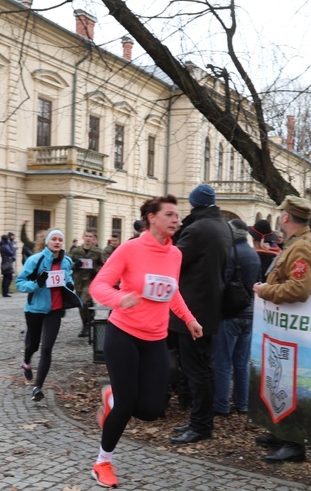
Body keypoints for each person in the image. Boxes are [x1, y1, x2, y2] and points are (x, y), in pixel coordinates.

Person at [88, 195, 203, 488]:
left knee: (152, 410)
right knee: (126, 405)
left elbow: (173, 291)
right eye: (170, 214)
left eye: (178, 215)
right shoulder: (130, 249)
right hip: (123, 333)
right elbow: (98, 285)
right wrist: (119, 299)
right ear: (152, 217)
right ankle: (103, 462)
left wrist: (189, 319)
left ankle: (110, 397)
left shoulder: (175, 254)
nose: (177, 220)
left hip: (155, 338)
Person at [253, 195, 311, 463]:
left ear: (285, 218)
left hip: (295, 327)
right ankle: (281, 433)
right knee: (281, 380)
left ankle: (294, 444)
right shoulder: (297, 243)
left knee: (292, 382)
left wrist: (264, 290)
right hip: (285, 326)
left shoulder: (303, 246)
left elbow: (299, 288)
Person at [169, 184, 232, 445]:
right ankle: (199, 420)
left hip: (191, 312)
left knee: (197, 371)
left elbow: (173, 260)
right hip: (210, 309)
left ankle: (201, 426)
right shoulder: (223, 226)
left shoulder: (196, 229)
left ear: (194, 204)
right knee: (203, 368)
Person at [15, 229, 80, 402]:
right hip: (35, 309)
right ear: (47, 242)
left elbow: (68, 279)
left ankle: (38, 387)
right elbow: (19, 283)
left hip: (55, 310)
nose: (57, 242)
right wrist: (37, 283)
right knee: (33, 346)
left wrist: (70, 285)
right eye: (54, 239)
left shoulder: (66, 261)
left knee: (47, 348)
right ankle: (26, 361)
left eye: (60, 239)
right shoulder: (35, 260)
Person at [212, 219, 260, 417]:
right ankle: (243, 404)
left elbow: (223, 284)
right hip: (250, 313)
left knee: (223, 362)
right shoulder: (253, 254)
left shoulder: (230, 253)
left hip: (231, 314)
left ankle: (221, 406)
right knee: (241, 363)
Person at [70, 228, 105, 338]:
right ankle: (86, 322)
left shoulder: (98, 252)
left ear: (93, 238)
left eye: (90, 236)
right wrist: (75, 265)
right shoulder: (76, 251)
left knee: (84, 302)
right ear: (83, 237)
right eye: (86, 236)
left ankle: (87, 325)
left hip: (90, 281)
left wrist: (97, 269)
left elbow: (104, 265)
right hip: (78, 281)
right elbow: (67, 263)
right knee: (80, 304)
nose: (88, 238)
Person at [0, 233, 16, 297]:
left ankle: (4, 292)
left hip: (4, 262)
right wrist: (12, 248)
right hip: (7, 263)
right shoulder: (5, 246)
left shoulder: (2, 245)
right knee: (9, 277)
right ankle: (5, 292)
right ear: (6, 239)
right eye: (8, 239)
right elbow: (11, 253)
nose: (9, 240)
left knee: (5, 277)